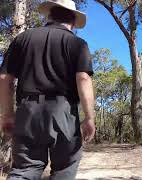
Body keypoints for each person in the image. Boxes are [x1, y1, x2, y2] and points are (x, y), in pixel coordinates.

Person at [0, 0, 96, 179]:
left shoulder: (23, 38)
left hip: (27, 112)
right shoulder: (77, 43)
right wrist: (89, 118)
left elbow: (4, 78)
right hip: (63, 113)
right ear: (74, 21)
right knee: (64, 170)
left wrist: (7, 114)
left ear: (49, 15)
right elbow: (83, 78)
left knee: (24, 170)